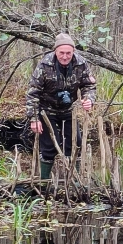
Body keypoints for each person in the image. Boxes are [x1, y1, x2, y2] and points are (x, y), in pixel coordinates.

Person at [26, 33, 96, 179]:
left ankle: (74, 181)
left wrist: (88, 99)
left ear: (73, 52)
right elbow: (33, 93)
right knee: (49, 147)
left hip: (67, 109)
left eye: (68, 53)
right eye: (61, 53)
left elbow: (89, 85)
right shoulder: (45, 65)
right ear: (55, 51)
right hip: (46, 111)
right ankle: (43, 183)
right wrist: (34, 118)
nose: (65, 57)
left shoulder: (81, 63)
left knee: (75, 145)